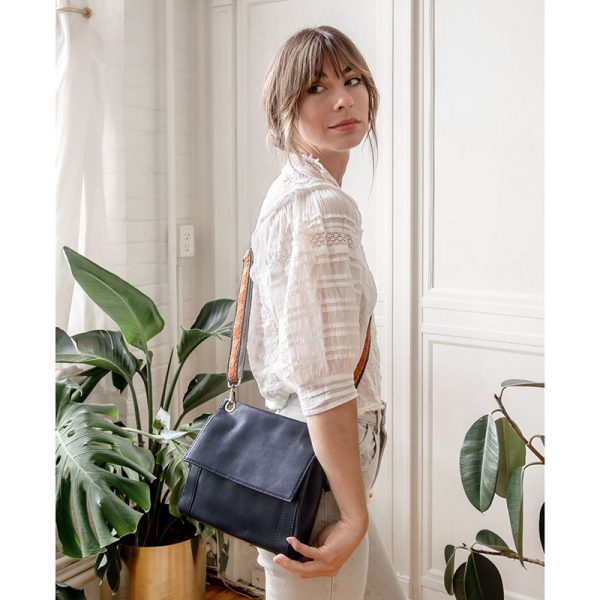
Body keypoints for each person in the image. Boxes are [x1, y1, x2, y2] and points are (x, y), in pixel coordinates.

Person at [246, 25, 407, 600]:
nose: (343, 99)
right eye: (316, 88)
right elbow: (323, 380)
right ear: (284, 111)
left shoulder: (288, 194)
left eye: (352, 80)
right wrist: (354, 514)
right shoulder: (322, 206)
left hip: (309, 455)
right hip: (320, 465)